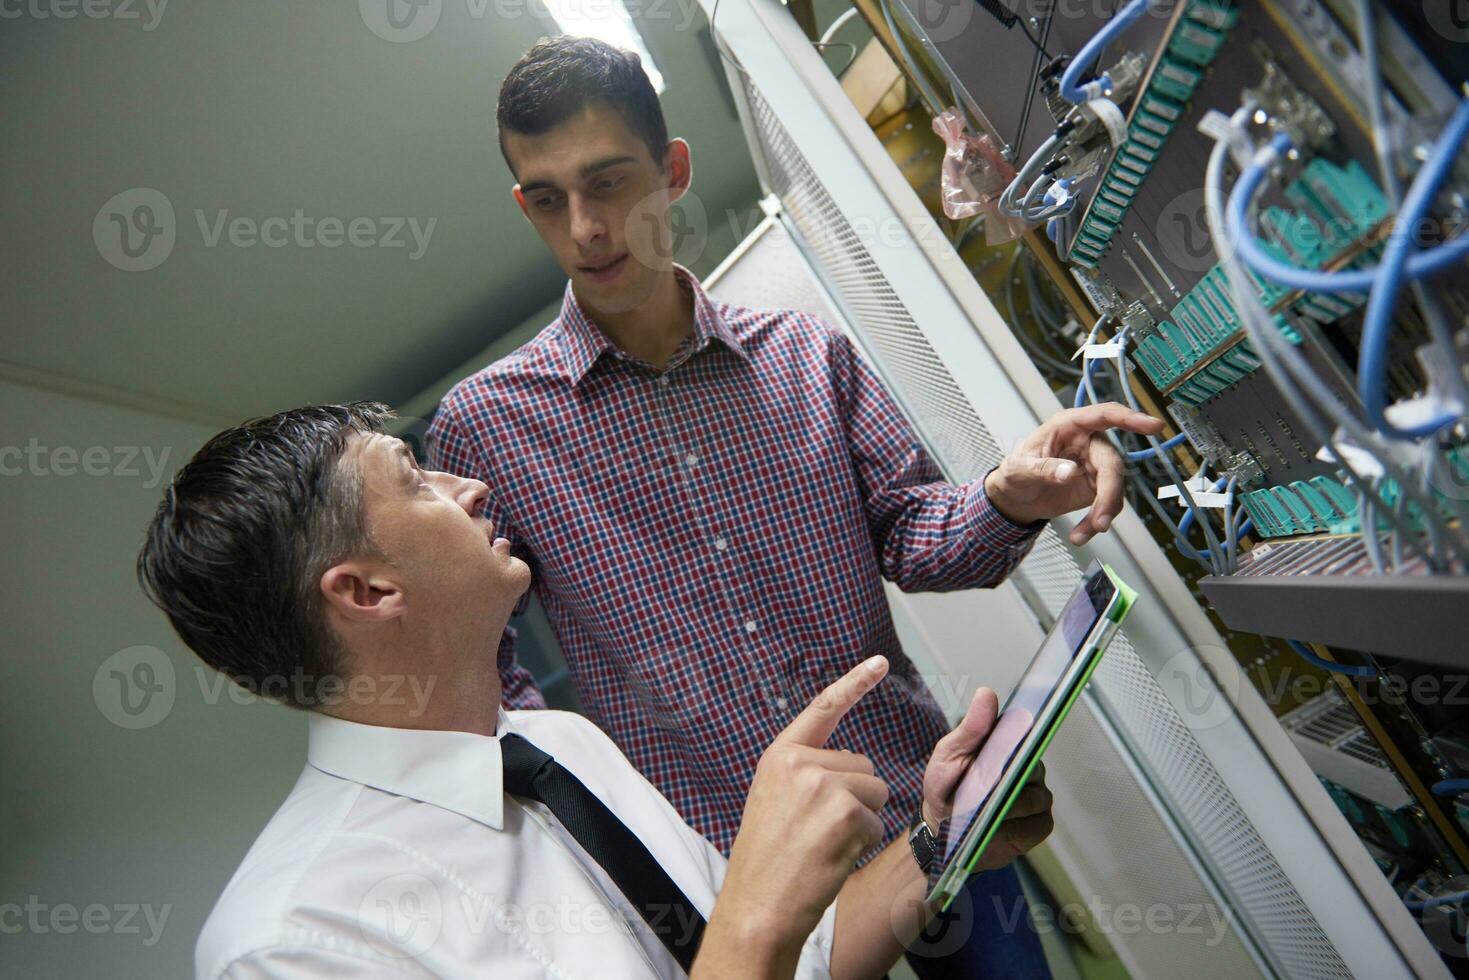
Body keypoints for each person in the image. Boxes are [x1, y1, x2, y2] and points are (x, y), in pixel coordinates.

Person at [427, 35, 1163, 976]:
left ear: (672, 169)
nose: (584, 230)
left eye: (608, 182)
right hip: (734, 890)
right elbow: (488, 688)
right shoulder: (486, 427)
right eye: (546, 198)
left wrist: (1003, 499)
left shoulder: (806, 357)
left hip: (926, 820)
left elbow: (915, 541)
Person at [137, 403, 1053, 978]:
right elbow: (751, 949)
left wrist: (938, 843)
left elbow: (798, 962)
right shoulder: (296, 940)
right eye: (417, 481)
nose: (471, 488)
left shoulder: (560, 749)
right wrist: (755, 920)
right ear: (368, 592)